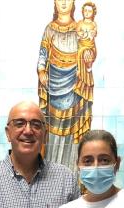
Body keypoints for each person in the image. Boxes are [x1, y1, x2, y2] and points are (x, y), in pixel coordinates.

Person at [37, 0, 95, 167]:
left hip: (75, 85)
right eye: (60, 0)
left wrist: (88, 56)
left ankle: (72, 170)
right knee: (51, 130)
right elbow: (43, 53)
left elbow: (88, 48)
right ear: (55, 3)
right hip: (53, 85)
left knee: (73, 130)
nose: (63, 3)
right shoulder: (49, 29)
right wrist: (41, 70)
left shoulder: (80, 28)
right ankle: (50, 169)